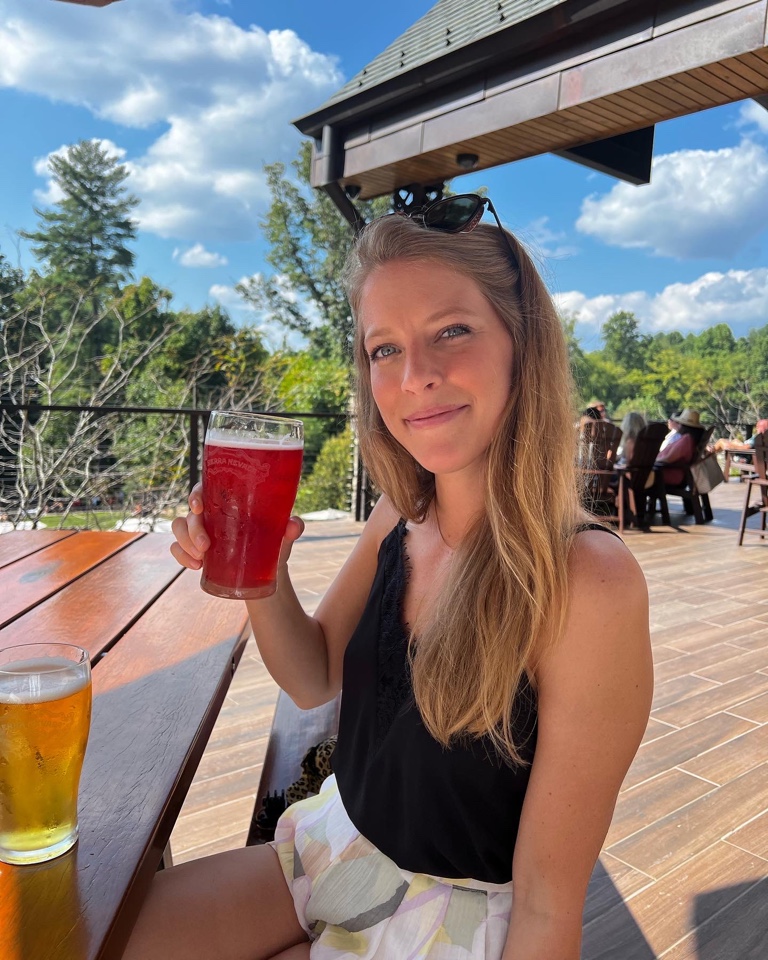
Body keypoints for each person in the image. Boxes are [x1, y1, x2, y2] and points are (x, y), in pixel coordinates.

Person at [126, 201, 652, 960]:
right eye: (384, 349)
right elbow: (312, 676)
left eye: (452, 331)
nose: (415, 377)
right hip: (333, 844)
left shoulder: (585, 581)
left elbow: (547, 905)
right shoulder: (399, 513)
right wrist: (264, 570)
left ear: (523, 345)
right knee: (90, 939)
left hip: (444, 917)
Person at [654, 408, 703, 486]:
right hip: (672, 471)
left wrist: (652, 461)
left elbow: (668, 458)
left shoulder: (686, 439)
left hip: (668, 473)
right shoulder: (690, 439)